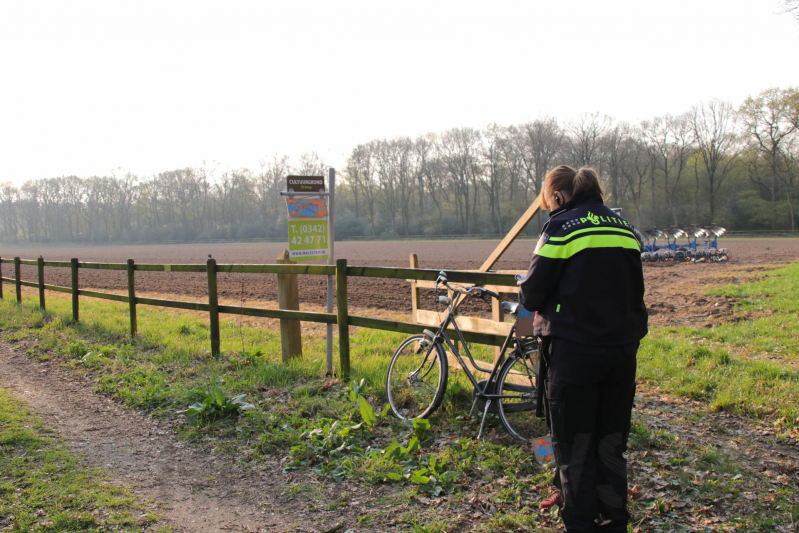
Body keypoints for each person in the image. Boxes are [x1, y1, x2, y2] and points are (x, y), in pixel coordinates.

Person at [518, 165, 648, 533]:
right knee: (610, 444)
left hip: (575, 354)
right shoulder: (626, 229)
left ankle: (580, 523)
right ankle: (613, 521)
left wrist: (526, 296)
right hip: (622, 352)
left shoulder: (560, 227)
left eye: (549, 202)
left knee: (574, 448)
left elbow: (533, 292)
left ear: (558, 197)